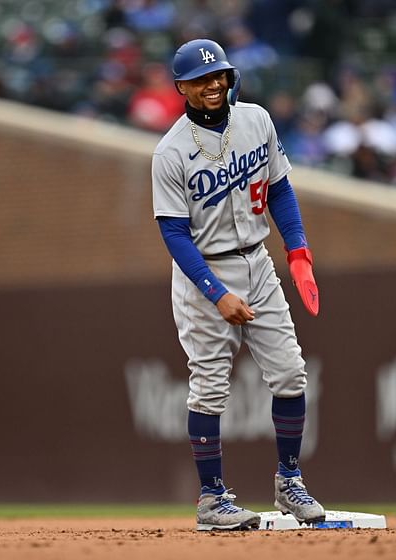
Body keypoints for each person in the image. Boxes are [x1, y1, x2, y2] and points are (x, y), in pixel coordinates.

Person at [151, 38, 325, 531]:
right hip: (202, 271)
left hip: (258, 260)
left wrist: (298, 251)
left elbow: (280, 188)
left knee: (290, 373)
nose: (214, 85)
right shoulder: (170, 151)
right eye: (202, 79)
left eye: (220, 75)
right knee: (208, 389)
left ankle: (289, 483)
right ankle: (211, 499)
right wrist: (216, 292)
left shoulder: (256, 120)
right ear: (182, 87)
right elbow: (172, 233)